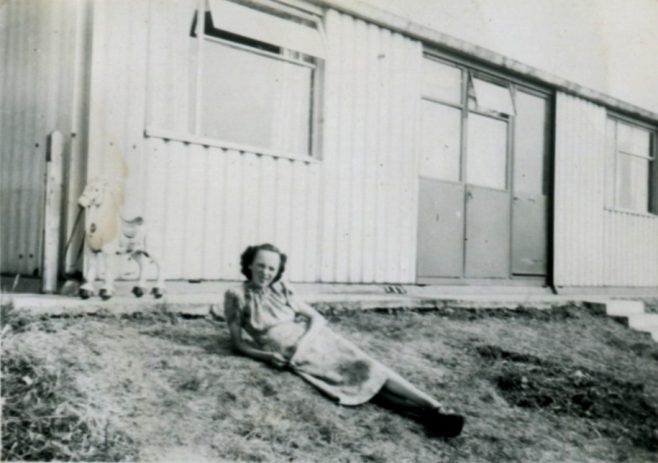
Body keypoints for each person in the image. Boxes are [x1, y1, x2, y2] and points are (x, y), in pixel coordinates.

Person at [223, 243, 465, 438]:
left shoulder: (281, 288)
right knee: (355, 381)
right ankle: (428, 416)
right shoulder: (237, 295)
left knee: (368, 365)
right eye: (261, 266)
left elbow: (316, 318)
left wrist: (307, 339)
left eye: (271, 269)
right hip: (288, 351)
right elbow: (238, 344)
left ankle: (436, 408)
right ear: (249, 265)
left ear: (278, 271)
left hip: (314, 340)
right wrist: (267, 356)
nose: (266, 273)